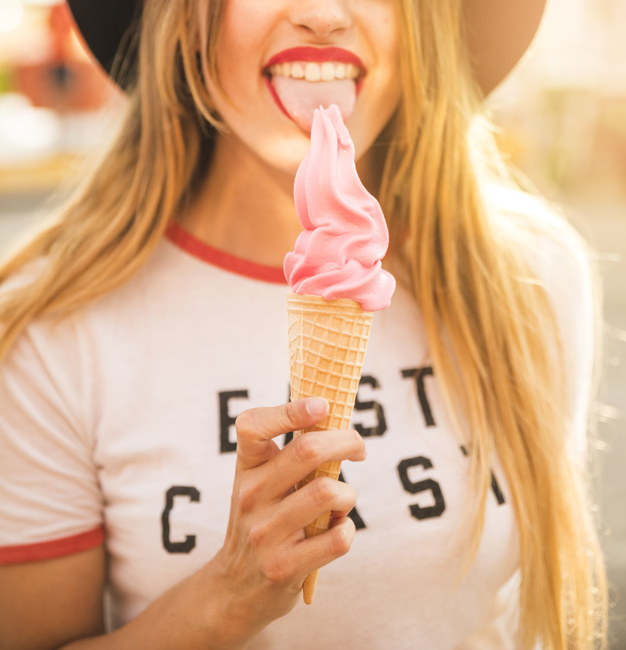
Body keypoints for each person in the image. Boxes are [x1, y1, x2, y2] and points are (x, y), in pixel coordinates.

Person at [0, 0, 608, 648]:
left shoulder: (529, 278)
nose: (323, 13)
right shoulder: (49, 332)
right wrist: (225, 600)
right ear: (182, 21)